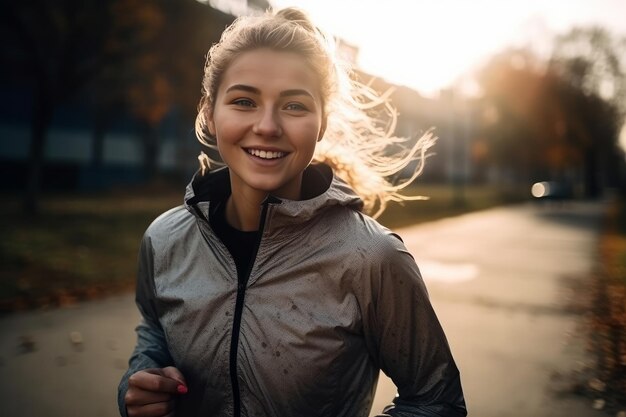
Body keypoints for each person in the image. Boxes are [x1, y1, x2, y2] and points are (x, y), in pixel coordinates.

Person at [118, 7, 466, 417]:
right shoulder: (164, 240)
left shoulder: (372, 259)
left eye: (295, 106)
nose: (267, 126)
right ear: (209, 113)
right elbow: (154, 333)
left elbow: (436, 401)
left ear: (321, 124)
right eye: (244, 101)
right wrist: (138, 385)